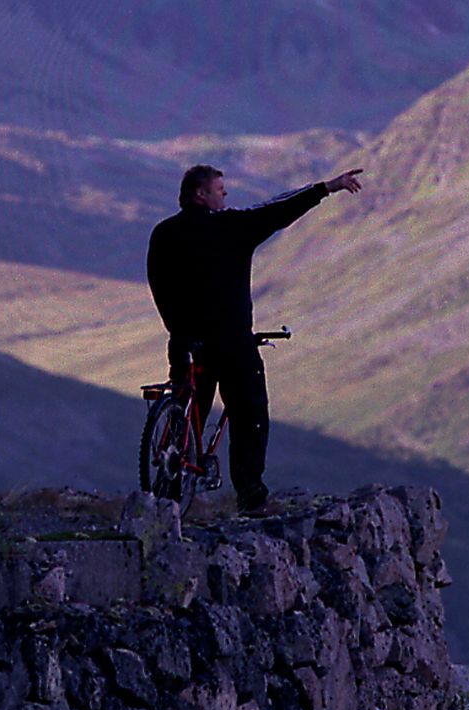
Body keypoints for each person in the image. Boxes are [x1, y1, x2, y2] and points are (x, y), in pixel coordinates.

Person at [146, 162, 363, 514]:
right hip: (231, 344)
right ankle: (250, 496)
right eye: (220, 190)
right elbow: (277, 210)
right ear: (201, 194)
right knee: (250, 415)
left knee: (187, 410)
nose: (225, 196)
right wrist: (327, 187)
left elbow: (159, 287)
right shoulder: (232, 227)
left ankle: (167, 496)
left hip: (185, 344)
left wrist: (179, 331)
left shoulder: (163, 234)